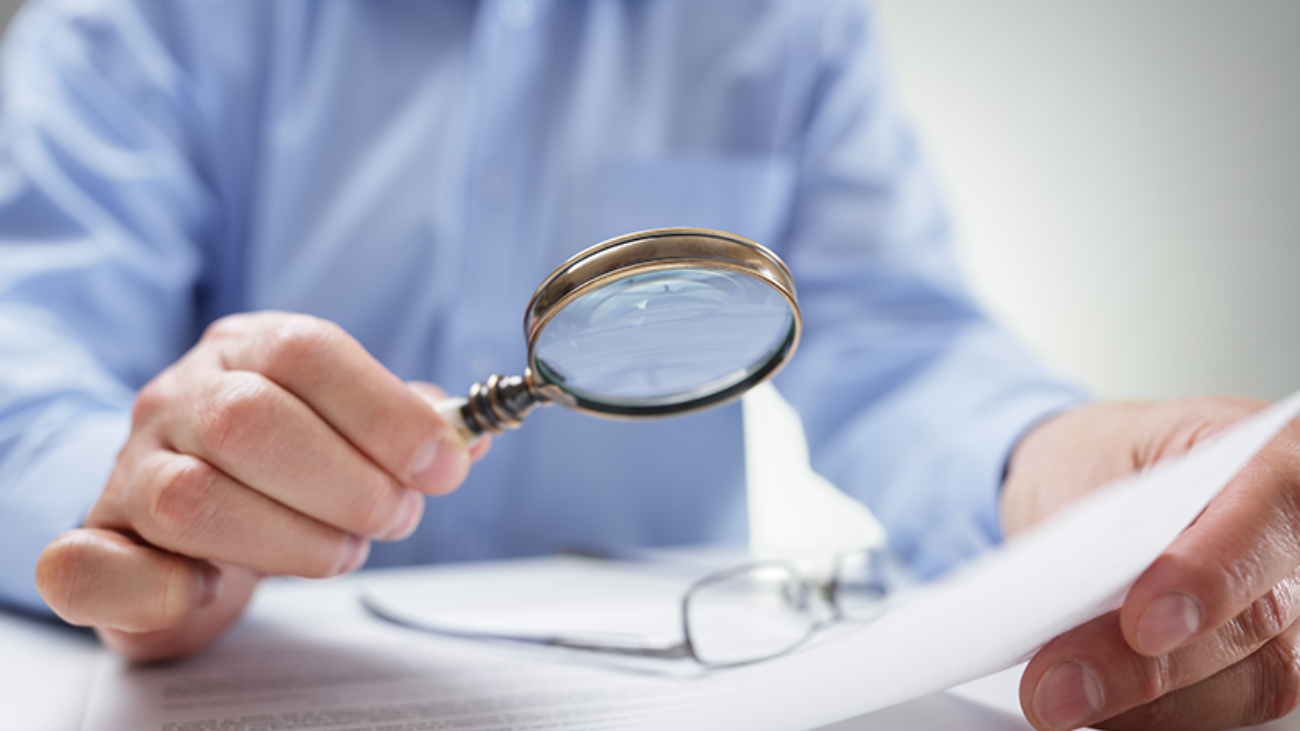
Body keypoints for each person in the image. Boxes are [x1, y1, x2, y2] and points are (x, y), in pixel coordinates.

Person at [0, 1, 1295, 729]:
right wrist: (156, 506)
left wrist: (1071, 471)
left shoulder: (782, 25)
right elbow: (23, 361)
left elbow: (902, 347)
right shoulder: (137, 22)